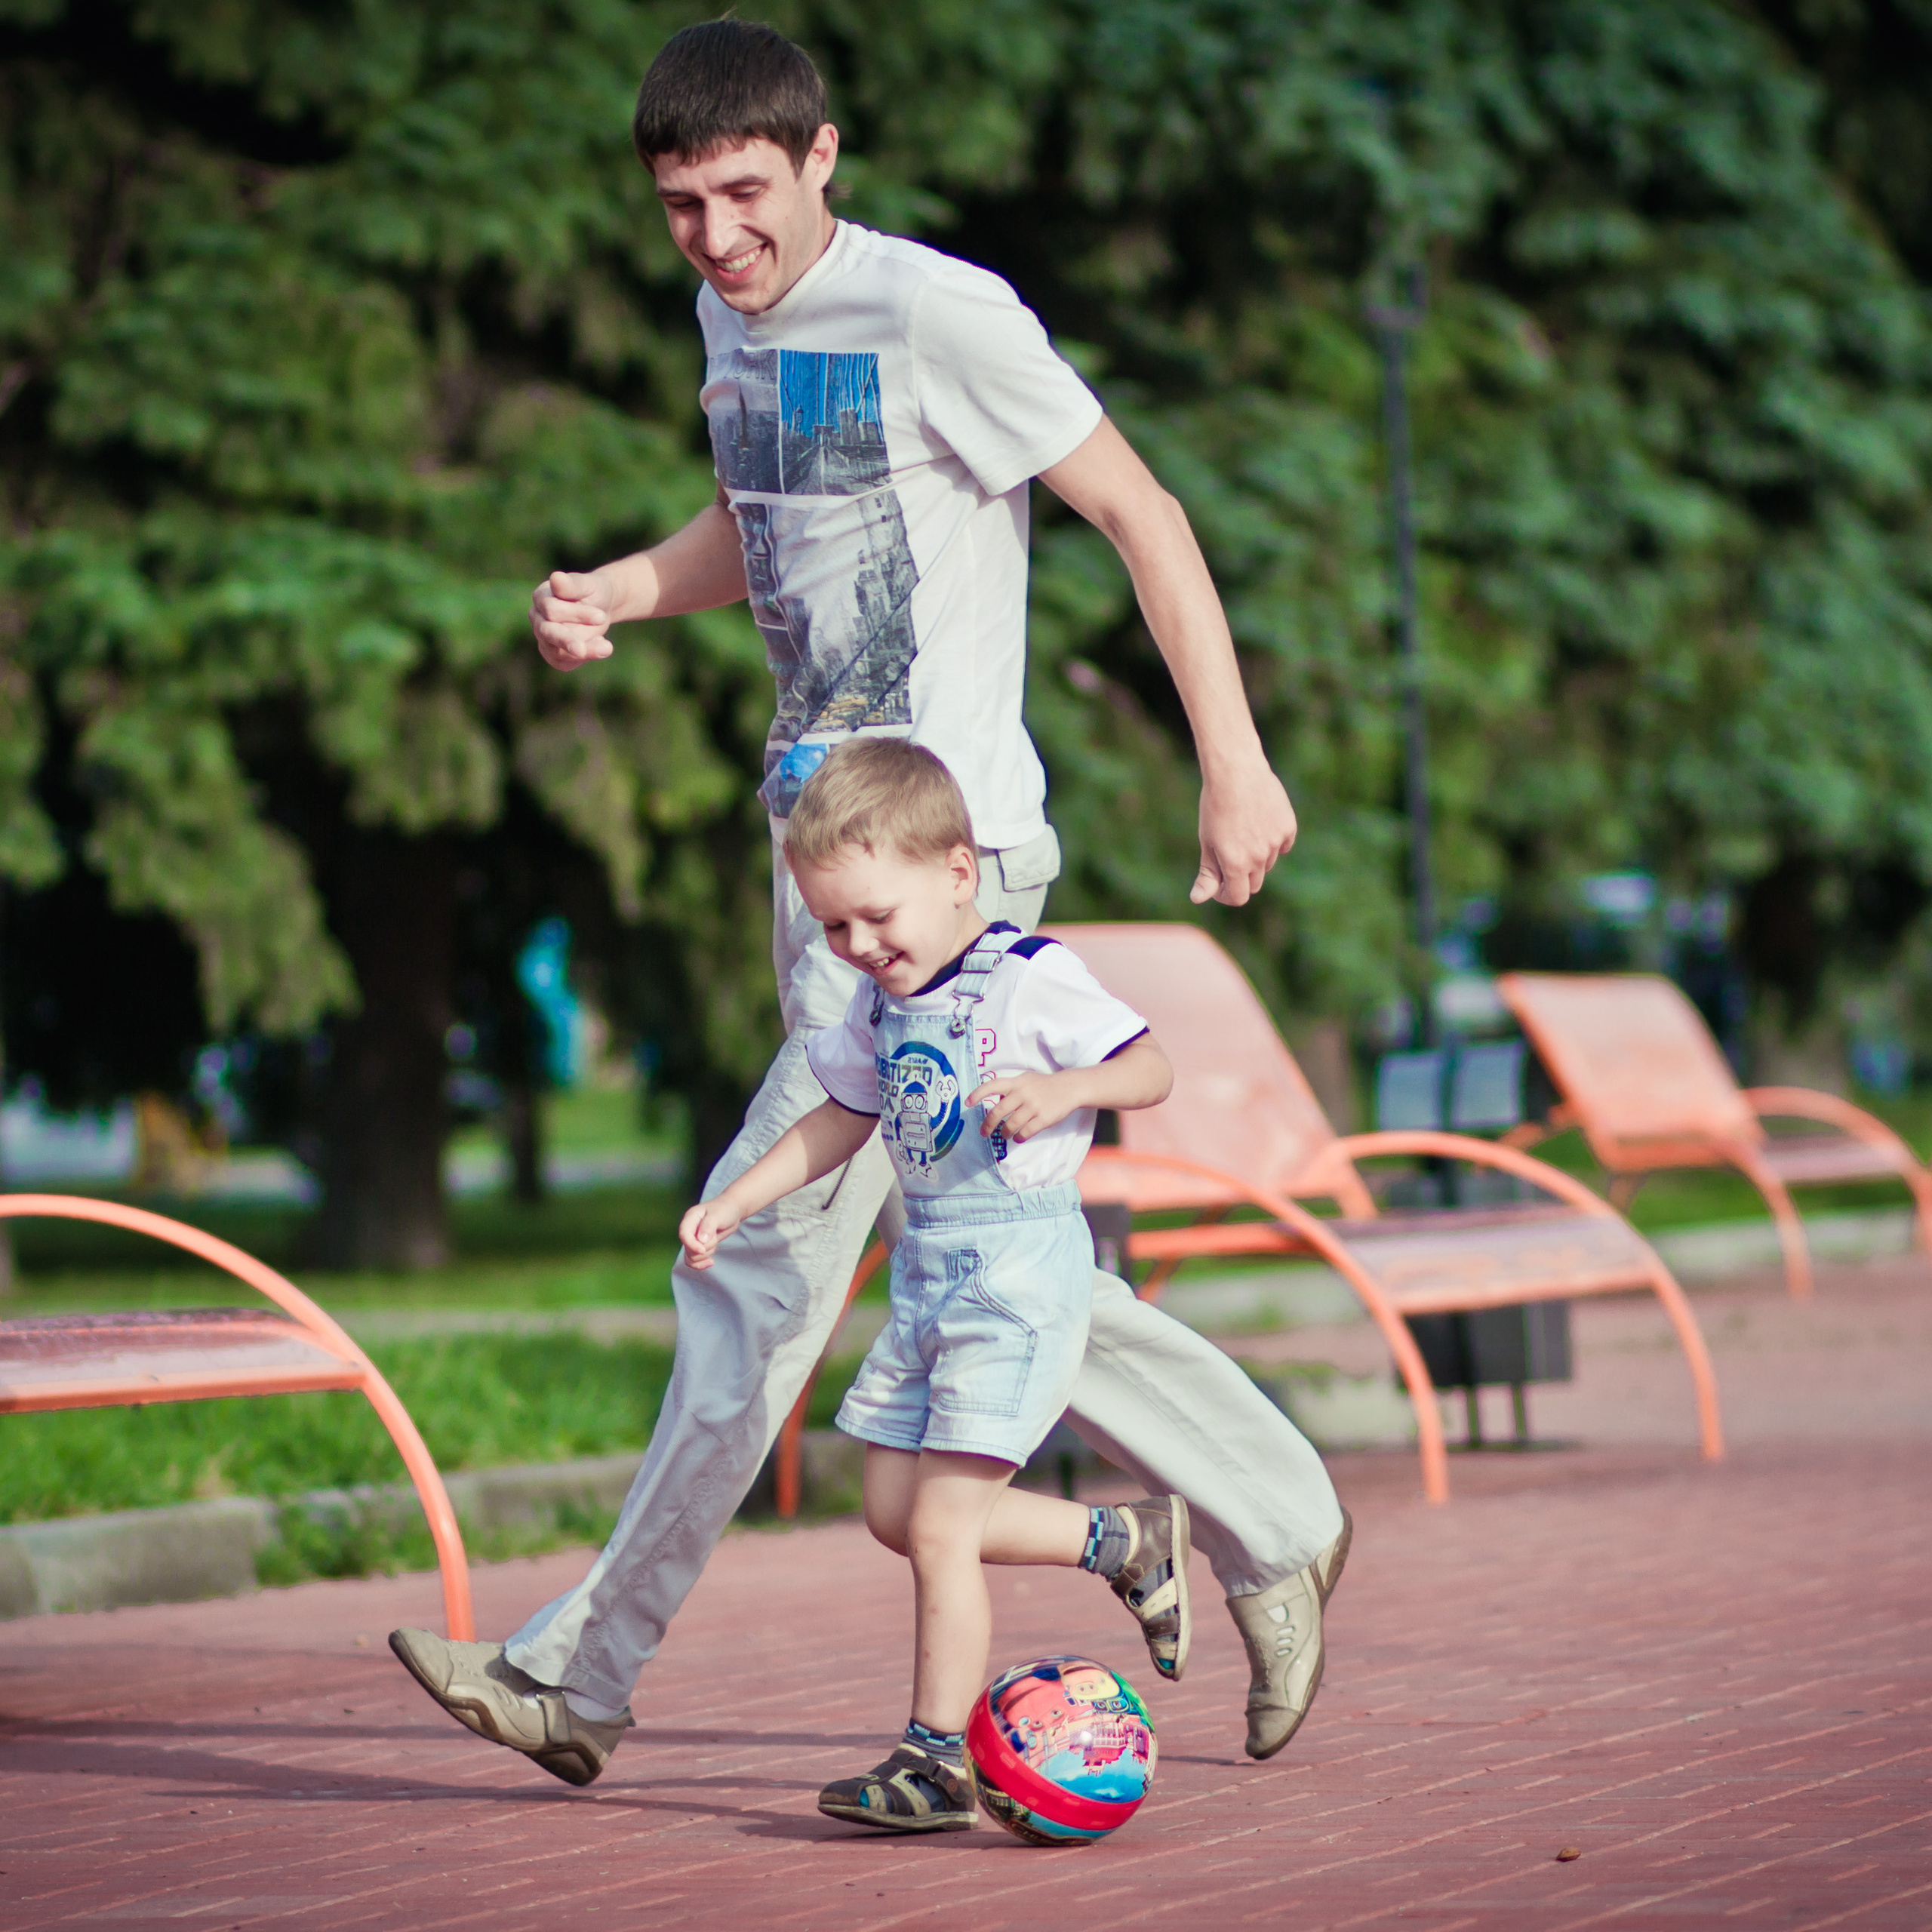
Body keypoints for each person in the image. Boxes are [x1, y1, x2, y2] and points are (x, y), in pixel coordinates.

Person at [388, 17, 1349, 1784]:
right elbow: (768, 526)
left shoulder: (938, 312)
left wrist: (1234, 757)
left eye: (745, 193)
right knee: (991, 1252)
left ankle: (578, 1675)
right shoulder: (727, 319)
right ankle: (1272, 1516)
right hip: (826, 873)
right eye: (680, 205)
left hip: (949, 887)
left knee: (759, 1258)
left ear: (822, 155)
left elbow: (1137, 508)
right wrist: (619, 583)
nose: (715, 235)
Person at [681, 737, 1179, 1832]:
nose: (858, 945)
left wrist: (1067, 1088)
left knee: (947, 1529)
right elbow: (840, 1120)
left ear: (957, 873)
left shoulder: (1030, 975)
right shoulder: (878, 999)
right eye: (834, 927)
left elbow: (1151, 1065)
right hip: (928, 1280)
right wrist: (736, 1200)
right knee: (895, 1512)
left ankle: (934, 1761)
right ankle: (1122, 1541)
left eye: (876, 918)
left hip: (1016, 1275)